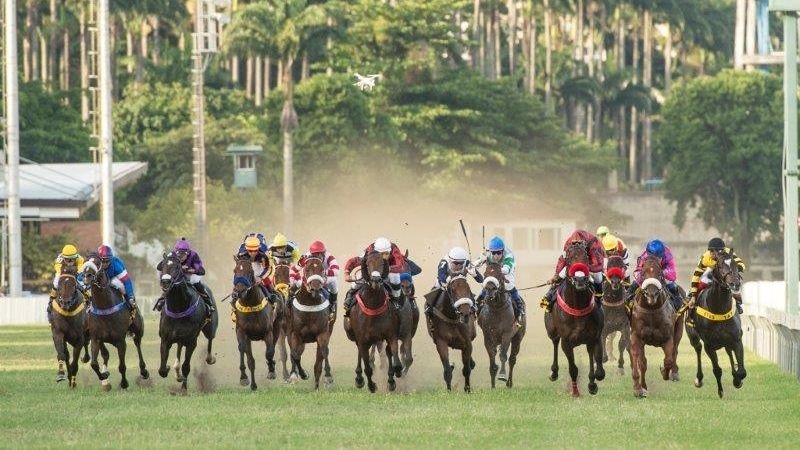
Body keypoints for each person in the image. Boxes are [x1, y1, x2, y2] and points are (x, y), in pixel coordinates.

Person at [539, 230, 605, 312]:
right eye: (575, 243)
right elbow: (562, 259)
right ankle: (549, 296)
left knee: (598, 277)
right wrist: (556, 275)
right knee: (560, 275)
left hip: (590, 263)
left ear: (584, 242)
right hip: (574, 264)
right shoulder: (569, 243)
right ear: (572, 242)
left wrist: (587, 268)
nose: (577, 245)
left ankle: (599, 295)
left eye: (579, 243)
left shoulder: (593, 242)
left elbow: (597, 263)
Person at [154, 238, 215, 317]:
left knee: (196, 282)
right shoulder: (172, 254)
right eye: (179, 254)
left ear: (188, 253)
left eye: (183, 255)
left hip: (191, 275)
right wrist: (177, 266)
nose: (181, 257)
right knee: (170, 283)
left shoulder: (194, 255)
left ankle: (209, 303)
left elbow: (202, 271)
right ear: (176, 252)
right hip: (178, 276)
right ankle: (162, 300)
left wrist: (191, 270)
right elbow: (159, 267)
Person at [425, 246, 483, 325]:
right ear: (451, 261)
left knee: (472, 298)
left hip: (460, 285)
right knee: (429, 300)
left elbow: (480, 280)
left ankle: (475, 314)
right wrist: (448, 279)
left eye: (461, 263)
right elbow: (441, 275)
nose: (459, 266)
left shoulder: (467, 263)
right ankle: (430, 314)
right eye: (456, 263)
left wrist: (475, 274)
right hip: (443, 284)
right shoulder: (444, 262)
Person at [687, 237, 746, 314]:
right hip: (713, 271)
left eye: (719, 251)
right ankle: (692, 300)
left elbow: (742, 265)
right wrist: (693, 294)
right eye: (711, 251)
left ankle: (737, 303)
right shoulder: (705, 258)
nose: (712, 254)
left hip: (727, 272)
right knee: (702, 283)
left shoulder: (729, 253)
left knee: (734, 280)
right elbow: (696, 275)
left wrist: (732, 270)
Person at [475, 236, 525, 325]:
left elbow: (507, 268)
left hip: (506, 273)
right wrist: (477, 263)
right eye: (494, 253)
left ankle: (520, 310)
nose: (496, 256)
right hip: (492, 275)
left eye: (499, 253)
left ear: (502, 250)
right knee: (485, 289)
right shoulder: (486, 253)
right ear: (491, 251)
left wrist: (497, 271)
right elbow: (476, 264)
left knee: (509, 287)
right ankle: (476, 311)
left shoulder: (508, 254)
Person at [627, 239, 682, 310]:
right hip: (648, 273)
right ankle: (627, 299)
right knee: (634, 285)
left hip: (662, 272)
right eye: (651, 258)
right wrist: (644, 276)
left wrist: (661, 272)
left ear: (662, 255)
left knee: (672, 287)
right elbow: (637, 271)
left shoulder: (668, 255)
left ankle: (677, 303)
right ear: (648, 254)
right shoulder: (644, 256)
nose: (654, 261)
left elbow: (673, 275)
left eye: (657, 258)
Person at [292, 240, 340, 320]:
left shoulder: (330, 257)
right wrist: (292, 279)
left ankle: (332, 304)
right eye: (315, 254)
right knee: (297, 283)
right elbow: (295, 269)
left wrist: (321, 273)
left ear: (324, 253)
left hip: (324, 277)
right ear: (311, 253)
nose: (318, 256)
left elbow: (336, 271)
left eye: (320, 254)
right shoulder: (306, 256)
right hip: (310, 277)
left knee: (334, 281)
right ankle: (291, 301)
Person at [47, 244, 87, 321]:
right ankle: (51, 299)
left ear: (76, 257)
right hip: (63, 271)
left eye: (72, 259)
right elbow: (59, 270)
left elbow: (80, 270)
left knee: (81, 282)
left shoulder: (80, 259)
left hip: (74, 272)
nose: (70, 262)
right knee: (56, 281)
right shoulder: (59, 260)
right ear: (63, 257)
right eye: (68, 259)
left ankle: (88, 297)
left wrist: (76, 275)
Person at [236, 235, 280, 304]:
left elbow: (268, 267)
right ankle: (234, 299)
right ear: (246, 248)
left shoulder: (264, 251)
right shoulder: (241, 252)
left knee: (267, 282)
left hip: (262, 266)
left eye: (255, 250)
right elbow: (239, 267)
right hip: (248, 265)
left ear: (259, 248)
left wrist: (261, 278)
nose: (253, 253)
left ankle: (273, 296)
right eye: (250, 251)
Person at [96, 245, 137, 314]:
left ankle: (129, 303)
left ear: (111, 259)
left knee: (119, 284)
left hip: (113, 278)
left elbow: (127, 281)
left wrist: (130, 296)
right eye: (102, 261)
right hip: (101, 278)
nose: (105, 264)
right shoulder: (95, 264)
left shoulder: (116, 265)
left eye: (107, 261)